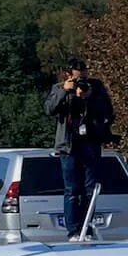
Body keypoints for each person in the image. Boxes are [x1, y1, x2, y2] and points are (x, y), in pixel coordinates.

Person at [44, 63, 116, 241]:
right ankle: (73, 231)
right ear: (68, 76)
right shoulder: (59, 88)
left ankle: (87, 227)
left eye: (84, 77)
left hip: (90, 143)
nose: (81, 81)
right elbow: (49, 109)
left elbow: (108, 111)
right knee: (72, 189)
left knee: (89, 189)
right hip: (69, 145)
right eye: (77, 78)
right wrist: (65, 91)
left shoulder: (95, 87)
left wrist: (90, 98)